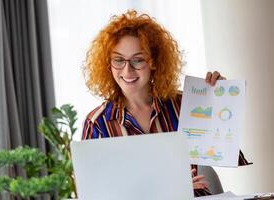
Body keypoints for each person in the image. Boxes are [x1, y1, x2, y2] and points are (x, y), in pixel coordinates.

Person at [82, 10, 250, 197]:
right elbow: (95, 193)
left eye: (138, 60)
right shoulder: (98, 123)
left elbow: (229, 153)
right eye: (118, 60)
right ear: (108, 64)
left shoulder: (184, 105)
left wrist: (221, 101)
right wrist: (170, 187)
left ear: (154, 62)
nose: (127, 70)